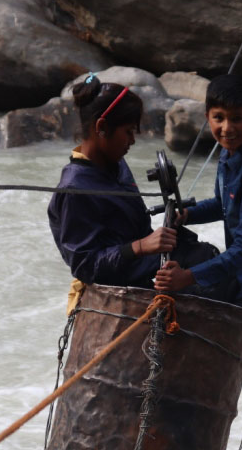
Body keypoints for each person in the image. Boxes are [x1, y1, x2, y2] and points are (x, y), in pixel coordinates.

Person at [47, 74, 214, 312]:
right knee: (201, 265)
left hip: (138, 265)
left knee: (201, 253)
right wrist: (140, 247)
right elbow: (84, 264)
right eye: (128, 132)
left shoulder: (114, 163)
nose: (132, 141)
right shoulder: (75, 189)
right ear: (102, 128)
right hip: (117, 280)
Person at [154, 73, 242, 323]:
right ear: (207, 117)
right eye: (219, 118)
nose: (227, 128)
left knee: (179, 304)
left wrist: (187, 276)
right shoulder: (229, 153)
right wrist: (186, 214)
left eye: (237, 119)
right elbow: (223, 205)